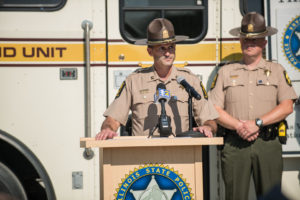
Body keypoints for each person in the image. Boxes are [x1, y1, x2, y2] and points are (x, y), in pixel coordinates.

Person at [209, 12, 298, 199]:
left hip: (267, 143)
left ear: (264, 42)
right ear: (240, 41)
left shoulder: (276, 70)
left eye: (255, 39)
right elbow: (214, 108)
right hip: (234, 144)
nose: (250, 43)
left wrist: (256, 123)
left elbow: (287, 106)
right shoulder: (225, 72)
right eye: (246, 39)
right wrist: (239, 127)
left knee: (271, 196)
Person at [95, 18, 219, 140]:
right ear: (150, 51)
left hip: (180, 154)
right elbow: (113, 119)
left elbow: (209, 119)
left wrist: (208, 127)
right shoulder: (134, 81)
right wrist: (108, 129)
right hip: (144, 156)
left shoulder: (189, 80)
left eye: (171, 47)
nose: (167, 53)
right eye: (162, 48)